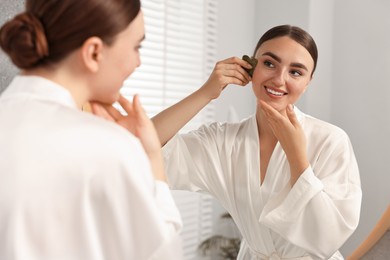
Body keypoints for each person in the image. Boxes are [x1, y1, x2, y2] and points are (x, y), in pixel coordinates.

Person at [92, 25, 362, 259]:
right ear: (250, 68)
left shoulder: (331, 141)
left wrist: (296, 156)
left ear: (308, 82)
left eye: (296, 72)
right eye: (269, 63)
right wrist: (206, 92)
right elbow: (145, 153)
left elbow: (329, 235)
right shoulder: (223, 141)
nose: (279, 79)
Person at [0, 0, 182, 259]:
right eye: (136, 47)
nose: (138, 62)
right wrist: (152, 162)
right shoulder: (110, 147)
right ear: (94, 52)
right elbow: (163, 254)